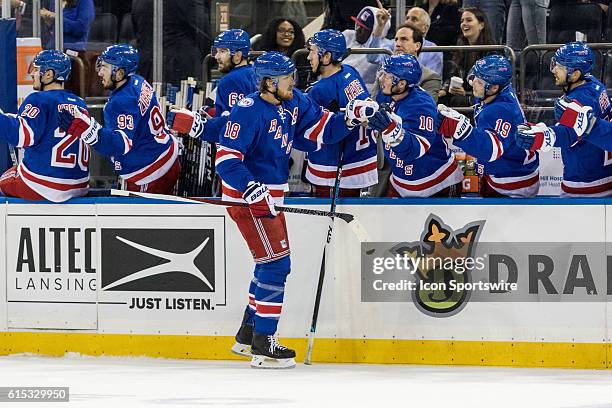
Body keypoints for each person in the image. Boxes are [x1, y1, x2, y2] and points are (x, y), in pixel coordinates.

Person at [215, 51, 377, 368]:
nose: (295, 81)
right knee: (277, 265)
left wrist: (351, 116)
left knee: (268, 263)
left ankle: (248, 335)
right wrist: (251, 189)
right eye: (288, 77)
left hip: (272, 197)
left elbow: (322, 130)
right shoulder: (247, 111)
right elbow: (227, 160)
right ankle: (264, 343)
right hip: (249, 201)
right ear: (270, 82)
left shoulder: (294, 101)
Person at [58, 44, 180, 195]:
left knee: (141, 218)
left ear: (120, 73)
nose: (100, 72)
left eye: (105, 68)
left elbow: (120, 145)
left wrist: (88, 130)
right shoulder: (138, 81)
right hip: (164, 154)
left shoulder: (121, 101)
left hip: (150, 172)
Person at [517, 42, 612, 197]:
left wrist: (542, 136)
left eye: (559, 67)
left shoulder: (581, 99)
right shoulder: (594, 84)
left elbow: (569, 135)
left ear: (575, 74)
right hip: (603, 175)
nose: (554, 69)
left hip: (585, 184)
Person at [437, 55, 540, 197]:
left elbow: (491, 150)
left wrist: (459, 128)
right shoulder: (498, 91)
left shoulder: (500, 110)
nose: (473, 83)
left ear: (494, 88)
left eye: (478, 82)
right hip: (508, 171)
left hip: (511, 183)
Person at [366, 54, 463, 197]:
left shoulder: (421, 106)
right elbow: (374, 118)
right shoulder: (387, 94)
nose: (381, 79)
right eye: (382, 74)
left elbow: (415, 150)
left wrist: (390, 130)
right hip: (401, 181)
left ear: (401, 83)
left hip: (436, 183)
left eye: (387, 76)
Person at [0, 50, 89, 202]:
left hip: (43, 185)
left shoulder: (39, 100)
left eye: (36, 69)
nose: (33, 74)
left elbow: (22, 136)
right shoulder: (80, 103)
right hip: (79, 185)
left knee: (3, 182)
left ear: (48, 75)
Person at [304, 29, 378, 197]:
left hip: (334, 166)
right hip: (359, 158)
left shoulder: (321, 90)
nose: (309, 57)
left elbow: (319, 132)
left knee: (325, 221)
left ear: (327, 56)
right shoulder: (350, 72)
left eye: (312, 52)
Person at [167, 29, 257, 144]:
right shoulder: (255, 74)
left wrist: (192, 123)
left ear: (238, 55)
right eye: (216, 51)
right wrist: (212, 112)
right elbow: (245, 114)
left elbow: (232, 127)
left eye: (223, 51)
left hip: (239, 155)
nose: (216, 56)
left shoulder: (231, 80)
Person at [367, 20, 442, 101]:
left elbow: (426, 109)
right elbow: (373, 102)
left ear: (417, 46)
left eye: (404, 39)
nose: (397, 44)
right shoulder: (384, 72)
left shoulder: (430, 77)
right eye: (396, 40)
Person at [439, 7, 496, 107]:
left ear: (481, 25)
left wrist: (467, 94)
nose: (464, 23)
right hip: (461, 98)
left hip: (482, 101)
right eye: (462, 21)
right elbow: (453, 76)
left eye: (469, 20)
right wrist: (447, 88)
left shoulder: (492, 53)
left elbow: (491, 88)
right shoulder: (460, 50)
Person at [516, 98, 612, 152]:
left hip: (587, 176)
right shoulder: (594, 86)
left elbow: (570, 135)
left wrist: (589, 124)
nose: (554, 70)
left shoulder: (583, 94)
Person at [342, 5, 391, 93]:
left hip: (362, 93)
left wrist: (379, 27)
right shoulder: (348, 35)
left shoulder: (384, 46)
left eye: (364, 28)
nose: (358, 30)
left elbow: (373, 57)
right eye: (358, 24)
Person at [256, 18, 308, 88]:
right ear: (273, 33)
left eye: (291, 32)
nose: (286, 34)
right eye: (281, 31)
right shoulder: (262, 55)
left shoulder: (301, 56)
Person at [405, 7, 443, 76]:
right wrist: (380, 28)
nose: (408, 22)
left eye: (414, 19)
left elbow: (431, 80)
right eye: (407, 18)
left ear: (425, 28)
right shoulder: (393, 44)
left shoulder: (434, 50)